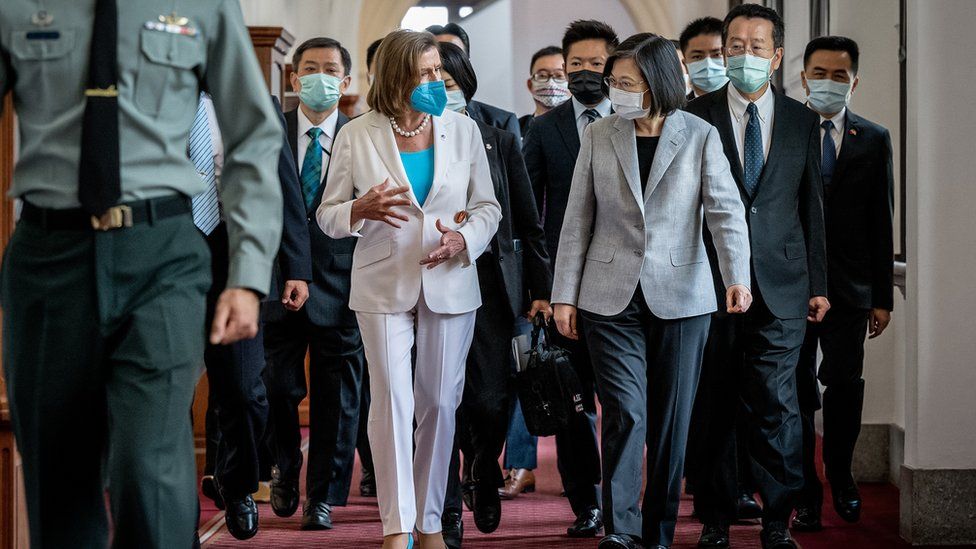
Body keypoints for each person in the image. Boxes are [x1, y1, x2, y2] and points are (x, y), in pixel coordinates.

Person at [0, 1, 283, 546]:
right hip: (48, 257)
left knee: (147, 470)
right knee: (59, 478)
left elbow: (251, 133)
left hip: (162, 256)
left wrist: (247, 273)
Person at [551, 33, 752, 549]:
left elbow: (725, 212)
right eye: (613, 82)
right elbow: (577, 218)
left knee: (671, 421)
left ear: (657, 82)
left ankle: (658, 531)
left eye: (626, 82)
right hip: (608, 294)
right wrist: (563, 295)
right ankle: (622, 530)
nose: (616, 91)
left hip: (683, 294)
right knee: (626, 410)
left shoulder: (700, 135)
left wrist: (736, 277)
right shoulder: (601, 135)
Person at [317, 29, 501, 549]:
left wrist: (463, 238)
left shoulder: (463, 130)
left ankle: (429, 525)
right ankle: (396, 527)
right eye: (425, 72)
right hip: (382, 279)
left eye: (438, 71)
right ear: (396, 75)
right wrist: (358, 209)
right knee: (393, 401)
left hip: (450, 277)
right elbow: (328, 216)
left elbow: (488, 207)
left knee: (440, 403)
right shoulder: (357, 134)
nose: (436, 80)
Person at [685, 5, 829, 549]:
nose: (744, 55)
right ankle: (717, 517)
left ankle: (777, 517)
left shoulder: (800, 119)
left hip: (783, 282)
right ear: (724, 52)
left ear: (775, 56)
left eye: (756, 45)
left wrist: (817, 283)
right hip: (711, 281)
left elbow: (809, 204)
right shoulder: (694, 115)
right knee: (715, 400)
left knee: (776, 400)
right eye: (735, 45)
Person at [437, 42, 554, 548]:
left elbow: (528, 221)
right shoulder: (400, 141)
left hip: (489, 285)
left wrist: (540, 290)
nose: (440, 92)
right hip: (429, 282)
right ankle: (443, 509)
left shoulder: (498, 138)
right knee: (438, 398)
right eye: (429, 83)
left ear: (466, 85)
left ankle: (483, 465)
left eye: (448, 83)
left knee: (489, 396)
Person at [197, 92, 313, 540]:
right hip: (170, 258)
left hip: (237, 258)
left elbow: (284, 189)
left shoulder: (254, 102)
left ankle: (239, 482)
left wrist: (297, 267)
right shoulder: (156, 89)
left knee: (245, 391)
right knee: (168, 396)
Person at [262, 37, 366, 532]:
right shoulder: (270, 132)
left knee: (337, 398)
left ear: (345, 83)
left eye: (330, 70)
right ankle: (284, 463)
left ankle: (322, 495)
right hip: (276, 280)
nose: (319, 76)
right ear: (293, 77)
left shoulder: (363, 136)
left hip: (343, 283)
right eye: (310, 68)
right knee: (277, 387)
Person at [792, 35, 894, 532]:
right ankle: (804, 491)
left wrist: (880, 296)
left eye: (839, 75)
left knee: (844, 386)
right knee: (794, 390)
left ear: (854, 81)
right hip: (790, 286)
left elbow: (882, 221)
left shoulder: (873, 138)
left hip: (851, 288)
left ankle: (841, 475)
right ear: (802, 75)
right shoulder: (783, 130)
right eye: (819, 73)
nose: (828, 82)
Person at [522, 18, 619, 539]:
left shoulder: (634, 121)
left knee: (624, 403)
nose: (585, 73)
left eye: (596, 64)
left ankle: (625, 501)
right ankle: (587, 503)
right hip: (567, 290)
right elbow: (528, 214)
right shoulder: (547, 128)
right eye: (575, 64)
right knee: (574, 402)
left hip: (627, 289)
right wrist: (541, 289)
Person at [680, 14, 761, 522]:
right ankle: (714, 488)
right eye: (702, 56)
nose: (714, 64)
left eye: (720, 53)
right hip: (699, 273)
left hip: (760, 274)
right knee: (710, 389)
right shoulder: (686, 118)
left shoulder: (772, 115)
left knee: (758, 391)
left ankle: (745, 484)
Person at [427, 22, 523, 141]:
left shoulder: (500, 123)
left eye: (454, 53)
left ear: (466, 63)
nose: (445, 59)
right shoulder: (413, 127)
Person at [519, 46, 570, 135]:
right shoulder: (515, 129)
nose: (550, 84)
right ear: (530, 85)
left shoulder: (586, 127)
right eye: (542, 75)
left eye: (559, 75)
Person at [679, 17, 729, 100]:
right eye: (697, 56)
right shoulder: (676, 111)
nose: (708, 64)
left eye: (717, 54)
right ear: (685, 64)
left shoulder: (750, 106)